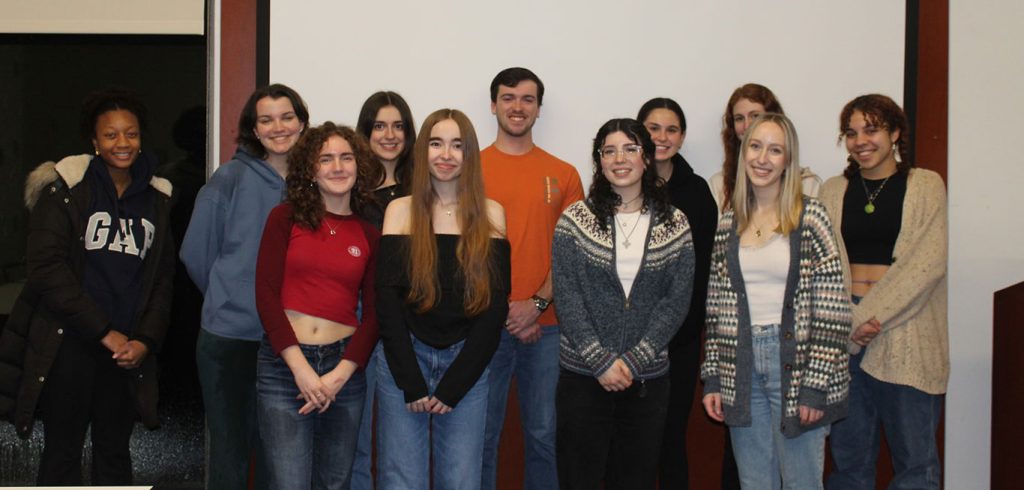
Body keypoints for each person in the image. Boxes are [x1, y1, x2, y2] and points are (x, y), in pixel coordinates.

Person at [0, 88, 175, 485]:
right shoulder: (65, 191)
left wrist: (145, 340)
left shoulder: (156, 199)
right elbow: (45, 269)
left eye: (130, 134)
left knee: (115, 453)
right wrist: (103, 331)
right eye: (111, 135)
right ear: (94, 142)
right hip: (69, 345)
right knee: (62, 451)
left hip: (128, 352)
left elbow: (162, 279)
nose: (122, 143)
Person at [701, 113, 852, 489]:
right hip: (742, 366)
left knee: (802, 482)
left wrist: (815, 386)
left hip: (799, 370)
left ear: (788, 161)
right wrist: (715, 378)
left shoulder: (812, 217)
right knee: (754, 483)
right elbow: (717, 308)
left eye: (775, 150)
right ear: (743, 151)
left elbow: (833, 312)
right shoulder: (728, 223)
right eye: (755, 146)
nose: (762, 158)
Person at [552, 118, 695, 489]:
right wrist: (600, 361)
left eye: (630, 148)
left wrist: (633, 360)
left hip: (646, 379)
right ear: (599, 160)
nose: (620, 158)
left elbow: (676, 299)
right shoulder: (575, 220)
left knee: (636, 478)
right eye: (609, 150)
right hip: (583, 377)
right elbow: (568, 296)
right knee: (578, 478)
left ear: (646, 157)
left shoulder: (674, 223)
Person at [180, 83, 309, 489]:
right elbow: (196, 253)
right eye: (266, 120)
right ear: (254, 130)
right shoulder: (230, 178)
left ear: (302, 122)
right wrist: (231, 299)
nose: (278, 127)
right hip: (230, 342)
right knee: (230, 458)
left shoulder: (315, 184)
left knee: (281, 461)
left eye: (287, 117)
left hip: (291, 344)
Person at [375, 108, 511, 489]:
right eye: (436, 144)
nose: (446, 155)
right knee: (401, 479)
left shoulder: (491, 214)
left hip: (466, 364)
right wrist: (411, 381)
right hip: (405, 363)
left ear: (470, 155)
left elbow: (494, 308)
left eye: (457, 145)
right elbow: (387, 303)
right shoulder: (399, 211)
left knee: (461, 480)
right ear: (423, 151)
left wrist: (455, 385)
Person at [820, 94, 948, 490]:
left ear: (895, 133)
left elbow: (924, 266)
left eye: (871, 129)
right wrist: (847, 321)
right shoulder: (831, 190)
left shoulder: (925, 185)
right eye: (852, 133)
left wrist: (861, 319)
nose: (861, 141)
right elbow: (821, 267)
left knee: (915, 468)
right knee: (849, 465)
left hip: (907, 336)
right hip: (844, 342)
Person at [253, 122, 381, 489]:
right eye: (326, 159)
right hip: (284, 369)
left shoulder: (370, 234)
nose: (337, 167)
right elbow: (265, 294)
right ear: (311, 169)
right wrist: (302, 371)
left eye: (346, 157)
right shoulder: (284, 218)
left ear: (359, 167)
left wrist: (337, 377)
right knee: (289, 483)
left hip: (344, 373)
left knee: (335, 483)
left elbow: (374, 316)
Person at [480, 66, 584, 490]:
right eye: (508, 97)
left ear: (539, 109)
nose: (517, 107)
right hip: (484, 327)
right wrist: (501, 311)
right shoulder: (469, 167)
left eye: (527, 99)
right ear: (493, 105)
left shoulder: (565, 173)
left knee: (543, 436)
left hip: (547, 327)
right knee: (481, 437)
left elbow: (572, 254)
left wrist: (536, 304)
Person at [637, 97, 717, 489]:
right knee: (629, 440)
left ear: (682, 137)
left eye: (671, 129)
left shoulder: (698, 192)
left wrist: (677, 329)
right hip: (626, 340)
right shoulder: (620, 182)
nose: (662, 137)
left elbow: (703, 270)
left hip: (679, 341)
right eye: (653, 128)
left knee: (670, 438)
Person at [350, 90, 417, 490]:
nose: (389, 135)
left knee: (399, 445)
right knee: (355, 441)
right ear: (366, 132)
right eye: (379, 126)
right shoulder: (349, 187)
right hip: (355, 320)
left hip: (405, 325)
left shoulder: (423, 189)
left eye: (398, 126)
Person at [712, 83, 821, 213]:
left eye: (755, 116)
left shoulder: (807, 185)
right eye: (739, 118)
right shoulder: (719, 185)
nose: (747, 126)